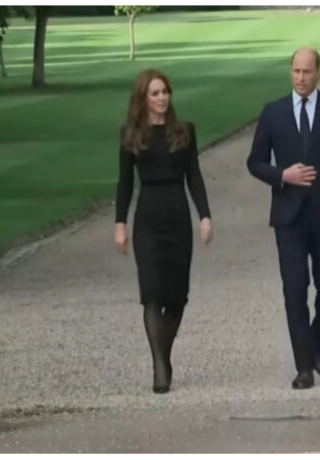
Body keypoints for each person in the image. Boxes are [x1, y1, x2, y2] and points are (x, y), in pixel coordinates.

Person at [246, 47, 320, 390]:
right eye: (295, 71)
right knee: (294, 290)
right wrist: (282, 175)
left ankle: (319, 337)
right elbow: (255, 162)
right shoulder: (273, 112)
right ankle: (303, 367)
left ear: (318, 72)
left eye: (307, 72)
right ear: (290, 71)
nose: (300, 78)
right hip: (289, 218)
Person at [114, 68, 213, 394]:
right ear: (143, 98)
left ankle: (163, 353)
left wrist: (205, 215)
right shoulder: (131, 135)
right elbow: (125, 183)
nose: (161, 98)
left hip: (177, 213)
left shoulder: (184, 131)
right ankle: (160, 366)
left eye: (164, 92)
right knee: (153, 292)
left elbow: (194, 176)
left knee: (177, 295)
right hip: (148, 218)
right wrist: (120, 225)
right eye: (154, 93)